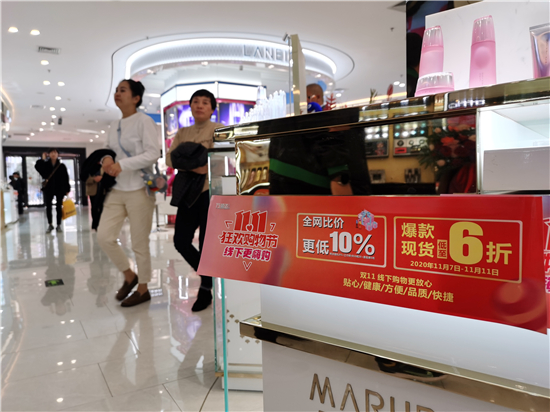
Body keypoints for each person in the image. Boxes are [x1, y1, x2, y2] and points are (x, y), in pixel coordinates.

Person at [96, 79, 160, 307]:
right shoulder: (114, 124)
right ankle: (129, 275)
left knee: (139, 243)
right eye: (116, 90)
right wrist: (106, 159)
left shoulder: (144, 121)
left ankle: (143, 288)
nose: (117, 93)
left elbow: (153, 153)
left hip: (139, 189)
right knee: (104, 236)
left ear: (136, 98)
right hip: (117, 189)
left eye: (122, 90)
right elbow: (108, 149)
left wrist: (122, 165)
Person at [166, 89, 223, 312]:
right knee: (180, 241)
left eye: (205, 102)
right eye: (196, 102)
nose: (200, 105)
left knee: (206, 243)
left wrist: (198, 162)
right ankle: (208, 275)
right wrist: (195, 163)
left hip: (210, 191)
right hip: (187, 192)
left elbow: (223, 157)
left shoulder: (218, 129)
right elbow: (170, 158)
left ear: (212, 109)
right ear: (190, 107)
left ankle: (205, 289)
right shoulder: (183, 132)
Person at [35, 148, 71, 233]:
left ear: (58, 154)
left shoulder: (61, 166)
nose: (53, 154)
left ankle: (58, 225)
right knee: (48, 207)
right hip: (49, 188)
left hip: (60, 188)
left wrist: (67, 189)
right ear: (49, 154)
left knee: (59, 207)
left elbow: (66, 178)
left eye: (55, 152)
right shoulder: (45, 165)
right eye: (51, 152)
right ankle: (50, 224)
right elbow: (37, 167)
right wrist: (42, 159)